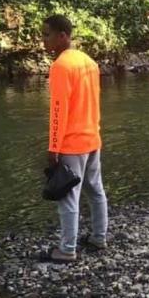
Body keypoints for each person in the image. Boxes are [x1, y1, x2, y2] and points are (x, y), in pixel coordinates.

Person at [41, 14, 108, 262]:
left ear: (63, 36)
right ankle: (99, 237)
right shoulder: (89, 62)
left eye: (47, 35)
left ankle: (67, 249)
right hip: (92, 137)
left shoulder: (61, 66)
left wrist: (53, 147)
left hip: (72, 143)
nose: (43, 41)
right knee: (95, 190)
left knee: (68, 197)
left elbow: (59, 109)